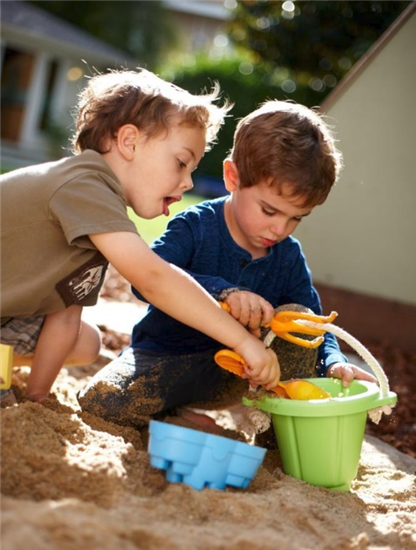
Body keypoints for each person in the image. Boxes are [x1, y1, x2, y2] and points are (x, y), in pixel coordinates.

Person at [78, 99, 377, 429]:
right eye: (269, 211)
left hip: (238, 374)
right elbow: (147, 278)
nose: (280, 229)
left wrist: (333, 363)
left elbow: (315, 326)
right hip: (163, 361)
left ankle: (276, 442)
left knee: (300, 318)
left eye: (296, 218)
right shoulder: (195, 226)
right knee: (102, 400)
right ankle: (172, 416)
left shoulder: (288, 256)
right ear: (233, 177)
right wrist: (224, 292)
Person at [0, 69, 280, 404]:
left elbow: (64, 317)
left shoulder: (101, 213)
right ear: (129, 142)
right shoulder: (83, 185)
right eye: (181, 163)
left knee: (84, 341)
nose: (188, 183)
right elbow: (153, 277)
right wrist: (244, 342)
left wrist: (37, 398)